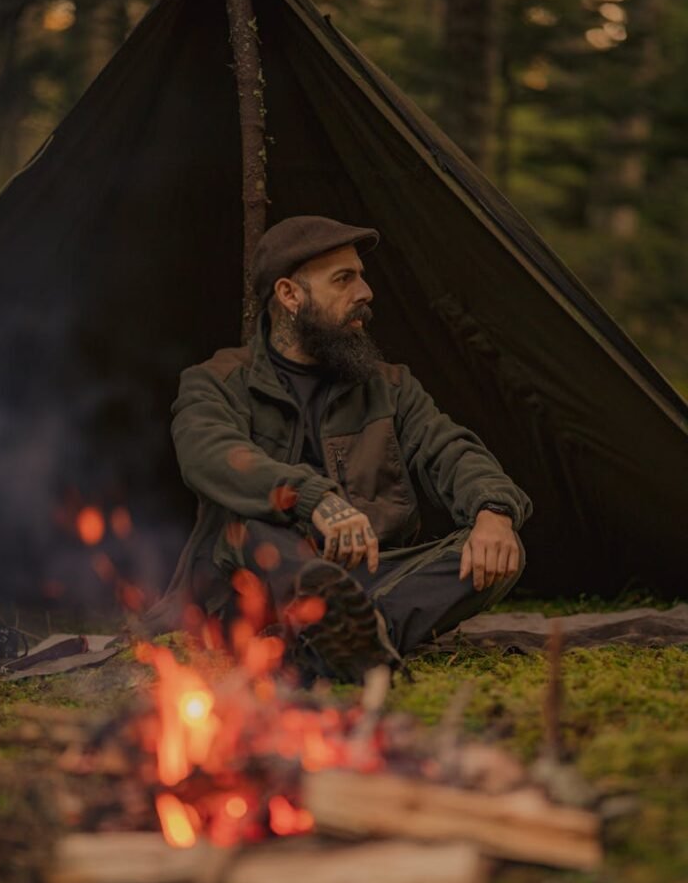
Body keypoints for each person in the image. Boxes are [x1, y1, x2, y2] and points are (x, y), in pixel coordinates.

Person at [143, 216, 531, 680]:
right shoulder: (217, 382)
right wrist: (314, 499)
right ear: (289, 295)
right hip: (250, 588)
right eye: (344, 279)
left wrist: (493, 509)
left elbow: (449, 448)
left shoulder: (390, 387)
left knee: (499, 552)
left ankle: (347, 637)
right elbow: (209, 453)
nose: (365, 293)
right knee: (247, 519)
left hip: (360, 578)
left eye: (361, 277)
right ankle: (344, 635)